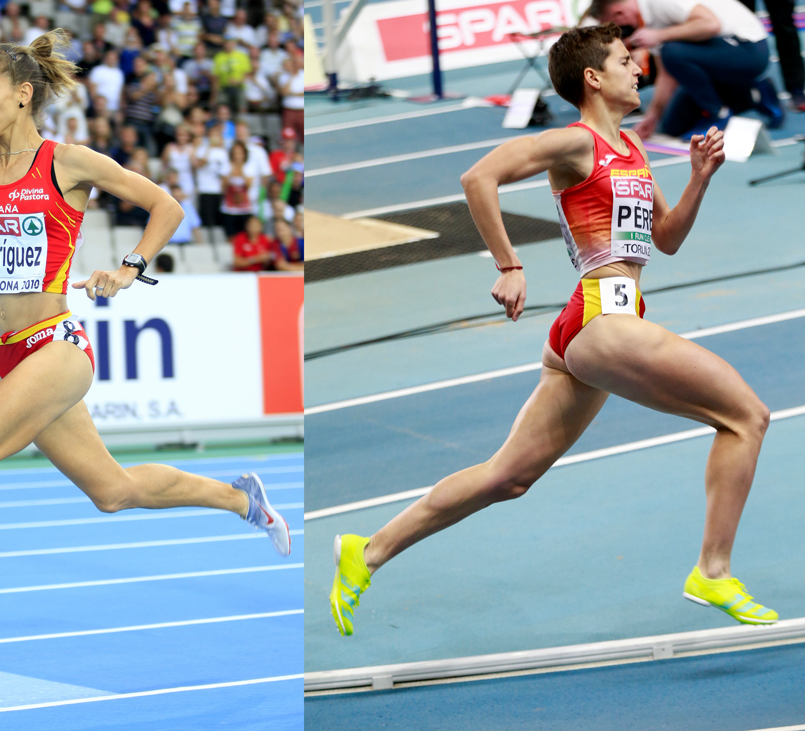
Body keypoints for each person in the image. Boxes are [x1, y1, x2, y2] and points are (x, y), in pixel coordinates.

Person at [0, 29, 292, 669]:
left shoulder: (67, 161)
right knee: (113, 490)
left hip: (57, 347)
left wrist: (128, 269)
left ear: (23, 95)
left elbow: (167, 205)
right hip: (6, 350)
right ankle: (243, 500)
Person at [330, 24, 775, 637]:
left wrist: (699, 177)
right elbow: (477, 177)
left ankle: (368, 550)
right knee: (746, 417)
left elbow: (664, 240)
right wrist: (510, 265)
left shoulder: (633, 150)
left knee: (507, 477)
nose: (638, 68)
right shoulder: (575, 142)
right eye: (625, 61)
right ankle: (714, 570)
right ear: (593, 78)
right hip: (602, 318)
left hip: (594, 323)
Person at [591, 0, 783, 138]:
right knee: (672, 126)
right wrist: (653, 116)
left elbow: (711, 24)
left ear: (618, 13)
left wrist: (660, 35)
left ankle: (720, 114)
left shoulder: (659, 5)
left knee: (672, 51)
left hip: (750, 49)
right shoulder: (651, 22)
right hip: (721, 55)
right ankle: (753, 93)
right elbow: (666, 75)